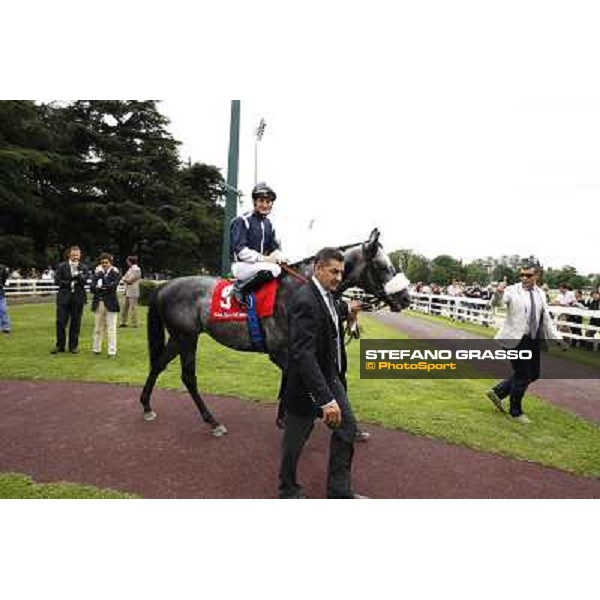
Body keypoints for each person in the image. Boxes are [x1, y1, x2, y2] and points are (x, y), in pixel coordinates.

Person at [278, 247, 367, 499]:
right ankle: (288, 490)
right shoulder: (305, 300)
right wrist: (326, 400)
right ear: (317, 268)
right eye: (333, 271)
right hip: (307, 384)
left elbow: (336, 317)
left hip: (332, 378)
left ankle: (339, 492)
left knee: (347, 429)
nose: (339, 277)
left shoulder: (330, 296)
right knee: (294, 443)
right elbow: (303, 355)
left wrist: (351, 314)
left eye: (341, 272)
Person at [486, 263, 566, 424]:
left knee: (534, 374)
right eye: (521, 275)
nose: (524, 278)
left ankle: (498, 392)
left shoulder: (541, 293)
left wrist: (557, 338)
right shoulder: (511, 291)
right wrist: (498, 293)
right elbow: (497, 304)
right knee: (523, 375)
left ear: (537, 276)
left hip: (533, 339)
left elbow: (546, 319)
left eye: (528, 275)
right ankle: (516, 412)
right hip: (515, 339)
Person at [229, 182, 285, 305]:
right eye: (261, 201)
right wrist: (265, 258)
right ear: (255, 202)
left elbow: (274, 248)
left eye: (268, 202)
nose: (265, 205)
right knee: (274, 269)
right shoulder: (242, 220)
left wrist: (280, 257)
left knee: (281, 268)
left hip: (258, 266)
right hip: (242, 266)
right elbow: (241, 251)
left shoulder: (268, 224)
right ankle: (240, 289)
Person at [52, 246, 90, 354]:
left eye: (77, 255)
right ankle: (60, 346)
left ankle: (73, 346)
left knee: (75, 323)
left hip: (78, 298)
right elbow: (57, 281)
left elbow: (84, 281)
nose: (75, 257)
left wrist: (77, 275)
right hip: (64, 298)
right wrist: (70, 283)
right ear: (69, 255)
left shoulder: (83, 267)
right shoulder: (61, 266)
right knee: (60, 322)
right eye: (73, 255)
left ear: (80, 255)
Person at [91, 253, 121, 357]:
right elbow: (92, 287)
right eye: (102, 262)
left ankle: (112, 351)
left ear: (110, 263)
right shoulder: (97, 272)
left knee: (111, 328)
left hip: (111, 303)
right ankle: (96, 349)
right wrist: (101, 286)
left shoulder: (115, 272)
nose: (104, 264)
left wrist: (102, 285)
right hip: (99, 302)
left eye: (106, 262)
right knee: (98, 328)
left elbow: (113, 286)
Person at [120, 255, 142, 328]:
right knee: (124, 308)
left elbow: (129, 280)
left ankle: (134, 323)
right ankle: (123, 322)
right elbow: (126, 277)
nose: (127, 262)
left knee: (133, 308)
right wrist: (124, 278)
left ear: (130, 261)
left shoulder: (136, 269)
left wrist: (123, 279)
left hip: (133, 291)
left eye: (128, 261)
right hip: (127, 291)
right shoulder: (130, 269)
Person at [0, 263, 11, 333]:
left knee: (3, 310)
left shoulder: (2, 268)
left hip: (0, 292)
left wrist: (2, 284)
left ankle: (6, 327)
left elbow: (5, 278)